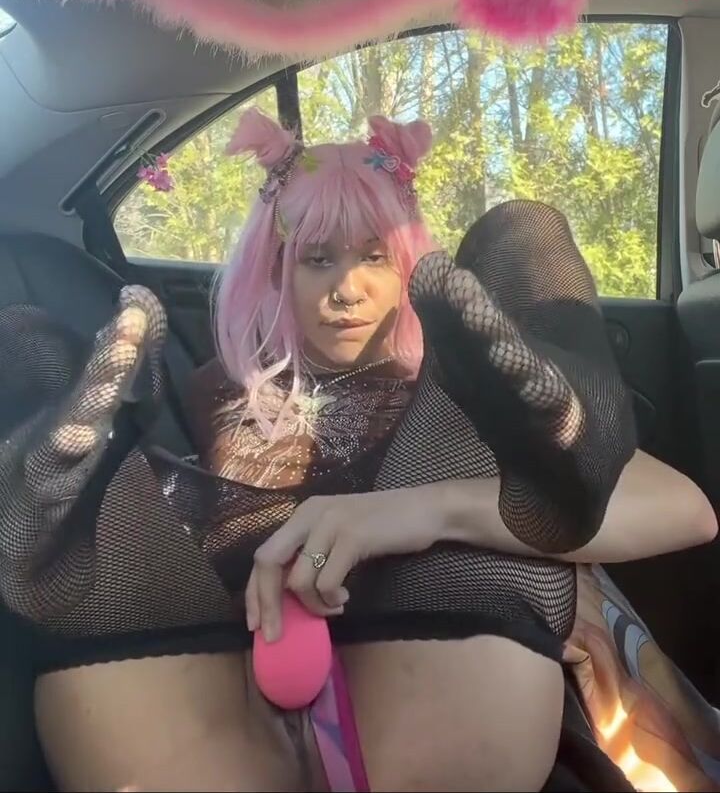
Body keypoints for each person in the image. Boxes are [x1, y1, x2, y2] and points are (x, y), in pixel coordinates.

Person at [0, 109, 715, 793]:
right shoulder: (217, 394)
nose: (346, 289)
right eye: (318, 259)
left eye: (374, 256)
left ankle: (556, 426)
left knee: (519, 241)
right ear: (278, 268)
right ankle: (55, 468)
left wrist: (422, 510)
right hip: (223, 703)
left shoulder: (464, 391)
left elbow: (688, 511)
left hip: (419, 680)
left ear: (406, 265)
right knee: (59, 405)